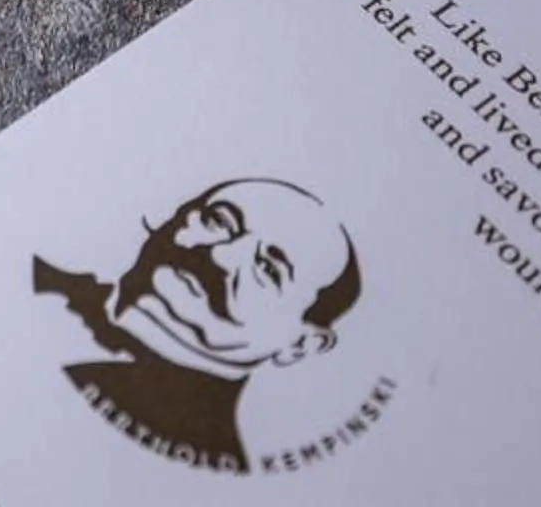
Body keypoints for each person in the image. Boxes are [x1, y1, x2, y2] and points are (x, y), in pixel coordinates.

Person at [33, 176, 362, 474]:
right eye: (219, 221)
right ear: (173, 216)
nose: (219, 257)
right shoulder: (37, 273)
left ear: (301, 343)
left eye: (269, 270)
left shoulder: (198, 460)